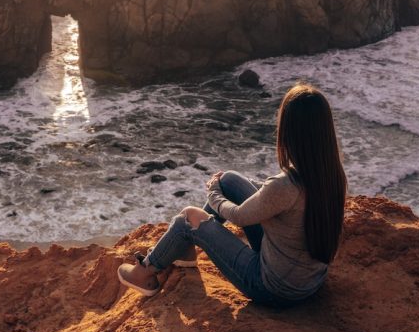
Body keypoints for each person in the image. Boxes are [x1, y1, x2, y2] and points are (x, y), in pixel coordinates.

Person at [117, 83, 347, 306]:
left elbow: (239, 216)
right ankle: (184, 249)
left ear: (289, 132)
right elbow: (278, 198)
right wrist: (224, 186)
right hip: (308, 280)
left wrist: (214, 193)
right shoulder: (330, 175)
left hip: (271, 287)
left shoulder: (285, 185)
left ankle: (145, 272)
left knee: (188, 218)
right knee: (229, 180)